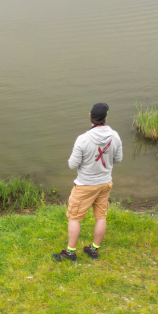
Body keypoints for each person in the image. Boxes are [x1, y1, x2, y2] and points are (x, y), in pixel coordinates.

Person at [54, 102, 122, 263]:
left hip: (85, 185)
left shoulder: (83, 139)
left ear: (90, 116)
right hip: (105, 183)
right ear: (106, 118)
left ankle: (70, 252)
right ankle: (94, 249)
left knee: (74, 217)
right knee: (101, 216)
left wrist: (71, 160)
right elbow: (118, 159)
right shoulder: (115, 136)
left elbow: (73, 165)